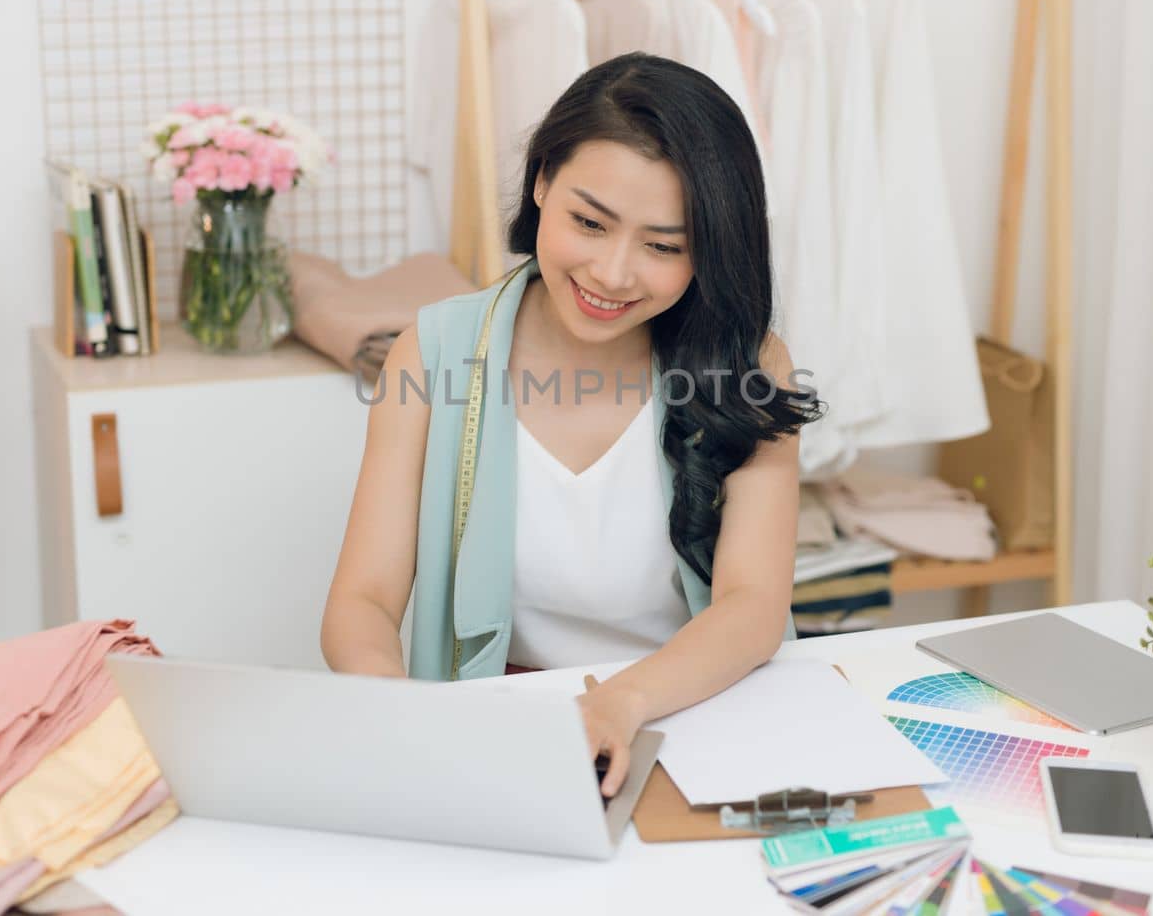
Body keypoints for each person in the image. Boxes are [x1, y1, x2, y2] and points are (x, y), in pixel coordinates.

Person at [321, 52, 821, 799]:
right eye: (589, 222)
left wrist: (619, 704)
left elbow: (752, 607)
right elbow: (361, 599)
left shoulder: (746, 361)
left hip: (691, 707)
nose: (613, 274)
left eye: (663, 246)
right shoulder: (435, 354)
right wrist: (400, 710)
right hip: (505, 730)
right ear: (542, 182)